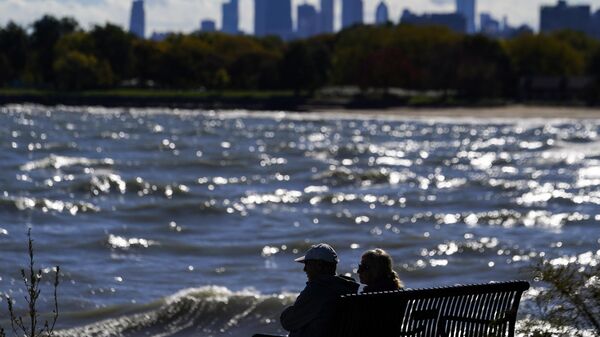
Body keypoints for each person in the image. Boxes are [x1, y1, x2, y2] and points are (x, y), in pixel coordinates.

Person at [279, 243, 359, 337]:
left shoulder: (318, 290)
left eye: (307, 264)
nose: (304, 269)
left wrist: (288, 311)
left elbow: (288, 322)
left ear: (319, 265)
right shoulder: (346, 288)